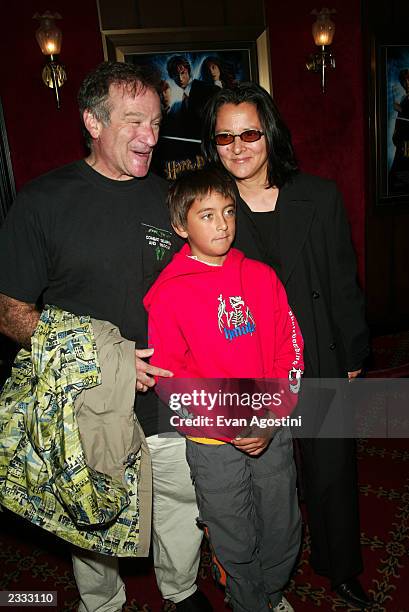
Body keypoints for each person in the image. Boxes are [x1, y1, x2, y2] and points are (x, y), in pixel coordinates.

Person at [0, 61, 211, 612]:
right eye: (134, 121)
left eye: (157, 123)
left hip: (169, 395)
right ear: (93, 122)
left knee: (180, 505)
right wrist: (102, 358)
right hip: (88, 399)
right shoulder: (42, 202)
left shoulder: (167, 198)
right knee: (91, 518)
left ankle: (182, 591)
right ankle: (103, 604)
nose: (150, 136)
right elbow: (10, 311)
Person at [200, 82, 372, 610]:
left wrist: (353, 354)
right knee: (265, 479)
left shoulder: (318, 196)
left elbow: (343, 280)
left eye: (248, 132)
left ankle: (339, 567)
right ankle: (260, 576)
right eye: (224, 137)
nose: (238, 147)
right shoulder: (212, 209)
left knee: (332, 469)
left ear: (269, 133)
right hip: (252, 363)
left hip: (318, 349)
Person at [143, 166, 304, 612]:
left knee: (283, 524)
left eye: (228, 212)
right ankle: (248, 601)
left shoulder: (261, 276)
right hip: (212, 441)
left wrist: (272, 418)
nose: (222, 224)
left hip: (270, 427)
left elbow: (289, 349)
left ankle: (270, 595)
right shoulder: (168, 293)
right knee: (233, 533)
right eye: (207, 215)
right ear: (181, 226)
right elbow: (169, 375)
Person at [166, 55, 218, 139]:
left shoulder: (207, 88)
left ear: (188, 71)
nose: (180, 78)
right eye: (176, 75)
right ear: (172, 77)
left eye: (183, 73)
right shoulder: (183, 99)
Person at [389, 68, 409, 195]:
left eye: (408, 80)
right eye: (404, 81)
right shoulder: (404, 98)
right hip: (402, 139)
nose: (406, 83)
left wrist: (399, 108)